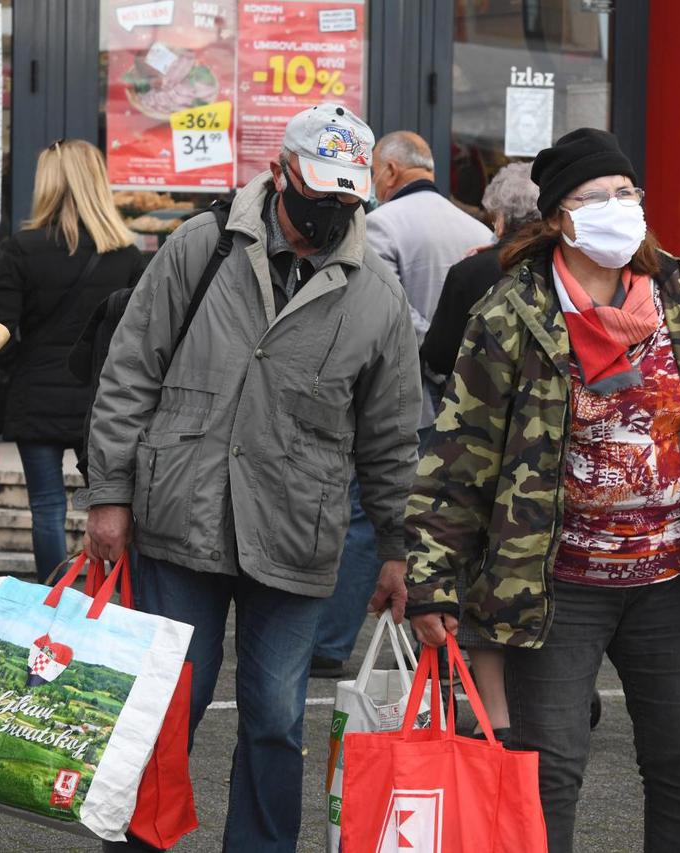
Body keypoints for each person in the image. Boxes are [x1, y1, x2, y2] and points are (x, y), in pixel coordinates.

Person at [377, 128, 680, 853]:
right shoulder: (511, 312)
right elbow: (459, 457)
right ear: (560, 216)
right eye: (598, 197)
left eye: (627, 192)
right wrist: (431, 581)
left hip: (671, 578)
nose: (620, 207)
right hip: (557, 585)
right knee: (548, 770)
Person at [82, 103, 421, 852]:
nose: (332, 211)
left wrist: (399, 547)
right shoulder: (201, 245)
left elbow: (394, 438)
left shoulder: (378, 295)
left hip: (296, 531)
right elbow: (130, 371)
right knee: (165, 706)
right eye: (318, 193)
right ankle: (136, 842)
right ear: (279, 173)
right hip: (180, 517)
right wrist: (109, 493)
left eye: (347, 198)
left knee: (275, 717)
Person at [309, 131, 492, 679]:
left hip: (400, 399)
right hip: (463, 401)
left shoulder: (381, 224)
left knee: (370, 514)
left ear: (388, 171)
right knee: (444, 520)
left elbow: (382, 310)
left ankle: (330, 641)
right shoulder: (477, 229)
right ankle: (437, 639)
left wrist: (431, 345)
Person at [413, 160, 541, 736]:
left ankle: (497, 716)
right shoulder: (572, 272)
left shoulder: (475, 270)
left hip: (480, 447)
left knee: (485, 578)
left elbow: (439, 354)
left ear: (498, 217)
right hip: (547, 454)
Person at [0, 139, 144, 581]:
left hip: (37, 395)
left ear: (47, 184)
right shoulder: (126, 256)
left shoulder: (20, 249)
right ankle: (112, 594)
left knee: (47, 506)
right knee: (112, 503)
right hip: (104, 400)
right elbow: (139, 335)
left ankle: (53, 594)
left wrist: (17, 367)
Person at [422, 161, 541, 386]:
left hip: (480, 397)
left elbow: (440, 357)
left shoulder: (469, 272)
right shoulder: (565, 261)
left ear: (501, 220)